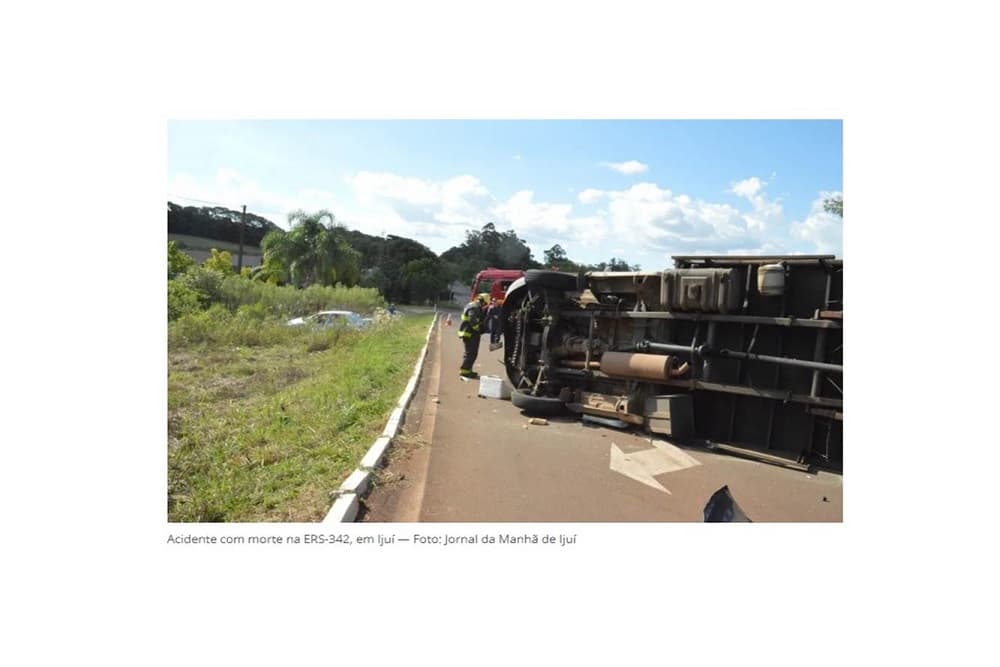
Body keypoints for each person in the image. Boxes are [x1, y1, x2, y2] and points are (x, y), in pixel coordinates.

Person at [458, 293, 489, 378]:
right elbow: (472, 320)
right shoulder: (474, 307)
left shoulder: (475, 305)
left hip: (471, 333)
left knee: (472, 353)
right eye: (485, 304)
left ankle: (468, 370)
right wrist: (478, 329)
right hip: (469, 333)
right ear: (483, 301)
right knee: (470, 353)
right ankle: (465, 371)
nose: (485, 306)